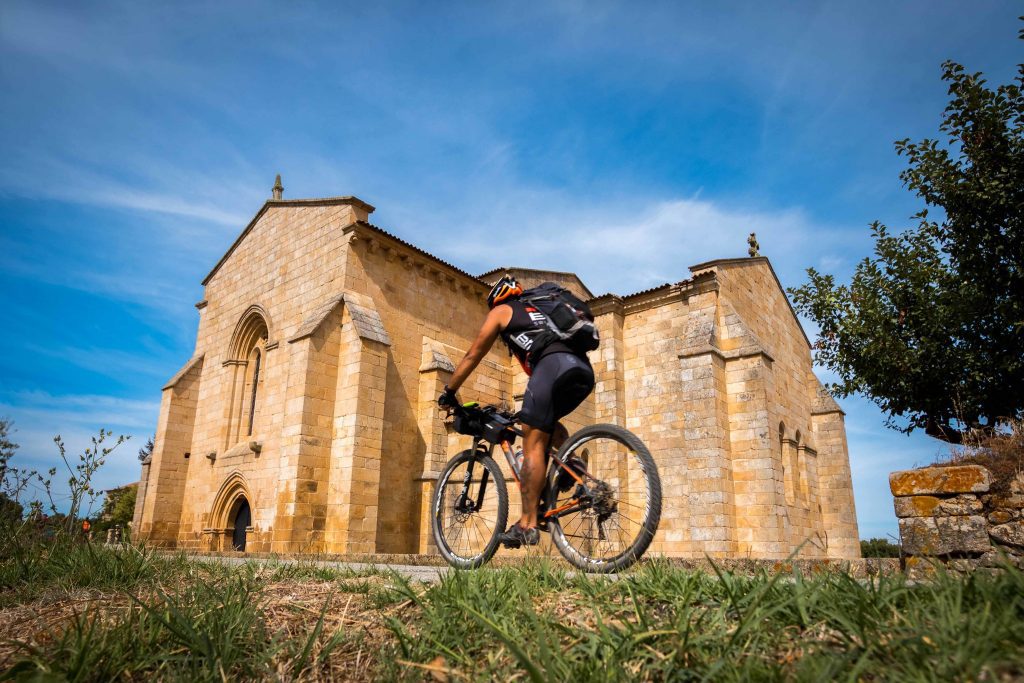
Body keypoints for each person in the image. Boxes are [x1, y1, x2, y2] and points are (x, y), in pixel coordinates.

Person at [438, 274, 595, 548]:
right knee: (546, 424)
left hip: (552, 366)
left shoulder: (502, 310)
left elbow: (474, 354)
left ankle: (526, 524)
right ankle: (574, 464)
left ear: (496, 297)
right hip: (581, 369)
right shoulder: (540, 309)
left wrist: (450, 391)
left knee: (532, 441)